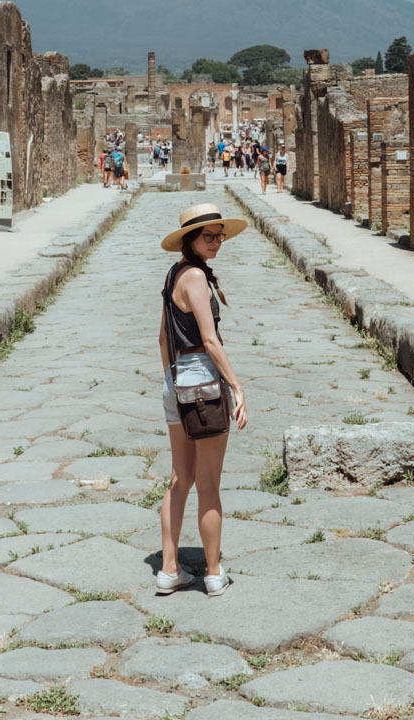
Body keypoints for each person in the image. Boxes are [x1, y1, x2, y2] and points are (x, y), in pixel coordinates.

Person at [156, 202, 249, 597]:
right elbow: (210, 341)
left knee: (180, 479)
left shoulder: (174, 274)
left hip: (176, 381)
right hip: (204, 384)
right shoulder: (195, 277)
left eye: (219, 235)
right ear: (190, 240)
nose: (216, 242)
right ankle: (213, 573)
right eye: (208, 235)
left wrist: (174, 380)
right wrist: (237, 386)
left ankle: (169, 569)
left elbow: (163, 339)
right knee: (208, 484)